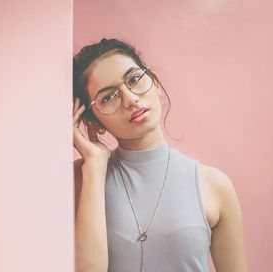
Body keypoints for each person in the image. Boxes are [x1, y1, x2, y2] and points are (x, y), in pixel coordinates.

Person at [73, 38, 248, 272]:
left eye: (134, 80)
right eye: (109, 96)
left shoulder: (214, 184)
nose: (130, 99)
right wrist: (94, 166)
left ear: (154, 81)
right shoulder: (80, 180)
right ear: (94, 121)